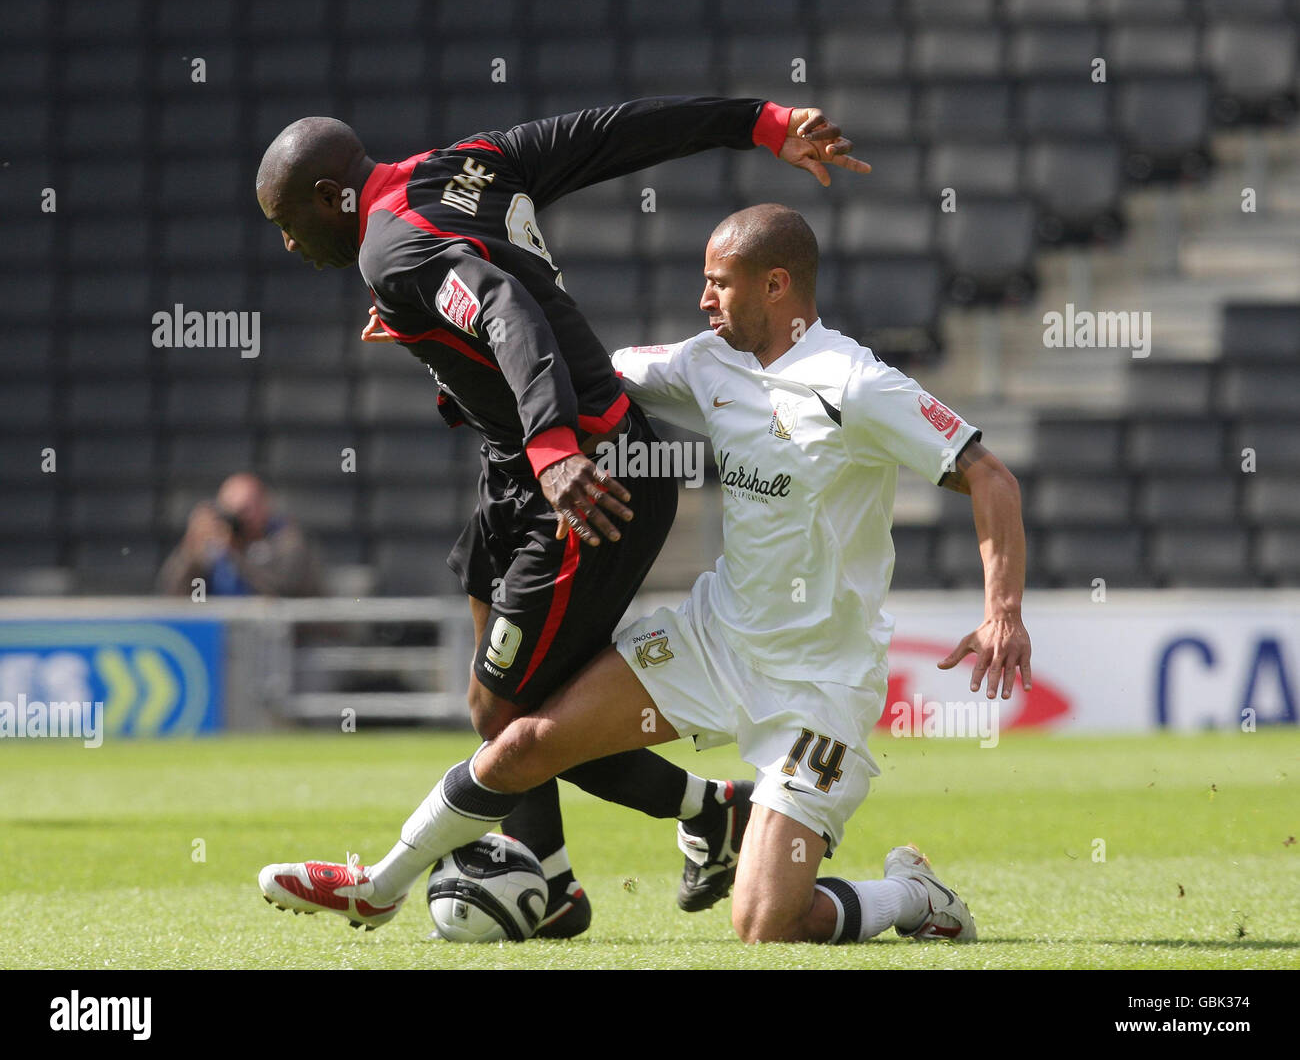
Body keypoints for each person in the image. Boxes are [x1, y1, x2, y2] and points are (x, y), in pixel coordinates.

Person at [258, 202, 1032, 945]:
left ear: (777, 284)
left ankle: (911, 895)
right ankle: (380, 884)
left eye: (719, 282)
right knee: (524, 739)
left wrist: (1002, 612)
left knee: (767, 923)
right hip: (713, 637)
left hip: (819, 686)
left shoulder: (856, 384)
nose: (703, 299)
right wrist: (432, 337)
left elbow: (990, 475)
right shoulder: (709, 364)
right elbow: (574, 369)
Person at [253, 99, 871, 935]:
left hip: (586, 478)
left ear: (330, 195)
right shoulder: (467, 162)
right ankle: (606, 857)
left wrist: (551, 448)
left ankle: (551, 877)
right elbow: (612, 134)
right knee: (497, 702)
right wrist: (757, 123)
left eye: (288, 224)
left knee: (514, 713)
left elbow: (509, 312)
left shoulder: (391, 248)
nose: (288, 244)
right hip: (514, 473)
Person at [157, 472, 323, 597]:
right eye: (230, 511)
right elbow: (172, 594)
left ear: (264, 506)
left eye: (245, 510)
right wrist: (191, 549)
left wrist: (234, 552)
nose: (238, 519)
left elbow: (280, 593)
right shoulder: (210, 547)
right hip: (217, 635)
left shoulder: (287, 540)